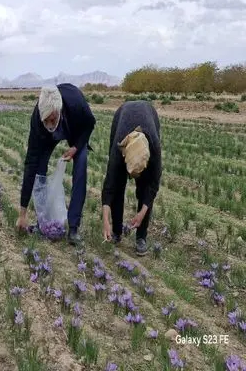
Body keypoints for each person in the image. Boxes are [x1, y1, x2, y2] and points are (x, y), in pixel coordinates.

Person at [16, 83, 96, 250]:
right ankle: (43, 222)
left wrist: (75, 147)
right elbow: (30, 163)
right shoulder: (38, 121)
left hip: (75, 130)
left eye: (53, 119)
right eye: (47, 120)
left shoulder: (75, 103)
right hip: (47, 138)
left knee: (80, 167)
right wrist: (22, 213)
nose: (50, 124)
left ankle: (73, 228)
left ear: (59, 112)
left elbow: (90, 123)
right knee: (39, 172)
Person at [101, 100, 162, 256]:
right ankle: (116, 231)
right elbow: (110, 185)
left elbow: (153, 185)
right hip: (122, 116)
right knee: (118, 183)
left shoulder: (154, 149)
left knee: (144, 187)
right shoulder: (118, 149)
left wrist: (142, 213)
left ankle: (141, 237)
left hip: (149, 114)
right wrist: (105, 220)